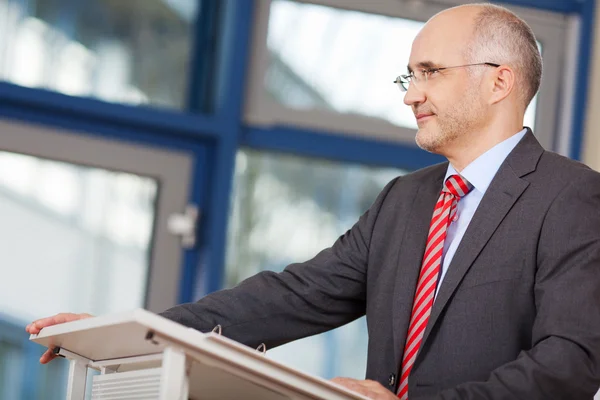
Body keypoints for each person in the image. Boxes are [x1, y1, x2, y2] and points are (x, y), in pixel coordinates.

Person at [26, 3, 600, 399]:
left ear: (499, 82)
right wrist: (134, 330)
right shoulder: (405, 200)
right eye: (409, 76)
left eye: (430, 72)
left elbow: (569, 365)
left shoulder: (571, 196)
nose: (413, 94)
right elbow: (292, 296)